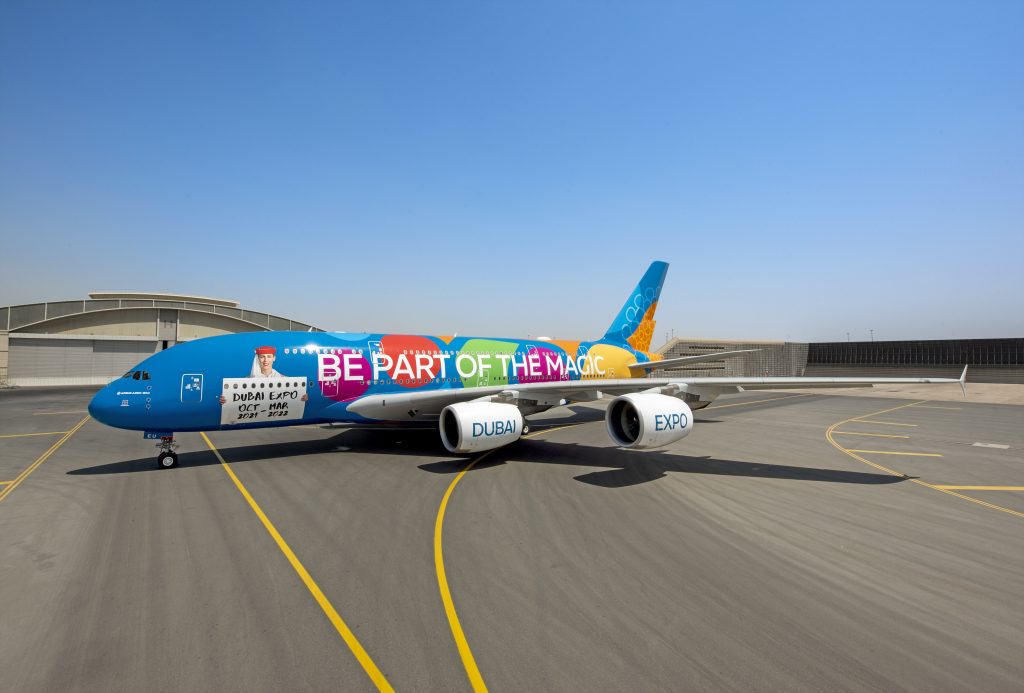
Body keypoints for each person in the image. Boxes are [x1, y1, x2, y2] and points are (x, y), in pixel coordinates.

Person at [220, 346, 307, 404]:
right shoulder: (248, 380)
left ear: (274, 358)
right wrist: (226, 400)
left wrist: (301, 397)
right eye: (262, 357)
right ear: (258, 359)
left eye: (269, 357)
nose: (266, 360)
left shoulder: (284, 379)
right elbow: (238, 399)